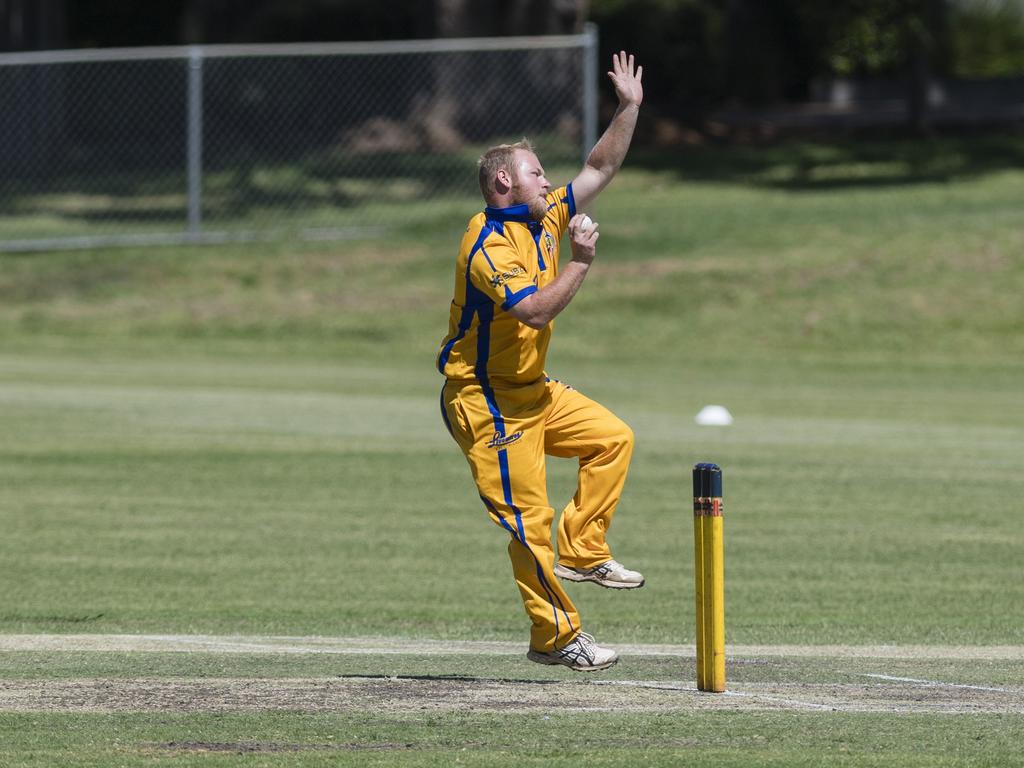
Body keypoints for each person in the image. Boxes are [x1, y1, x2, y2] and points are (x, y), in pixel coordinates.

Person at [437, 52, 644, 671]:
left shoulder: (543, 214)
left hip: (533, 388)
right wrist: (580, 260)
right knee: (529, 522)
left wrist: (629, 107)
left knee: (613, 439)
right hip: (485, 397)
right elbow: (532, 313)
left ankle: (584, 550)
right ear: (505, 183)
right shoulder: (487, 244)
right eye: (536, 172)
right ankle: (556, 636)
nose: (548, 180)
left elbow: (601, 164)